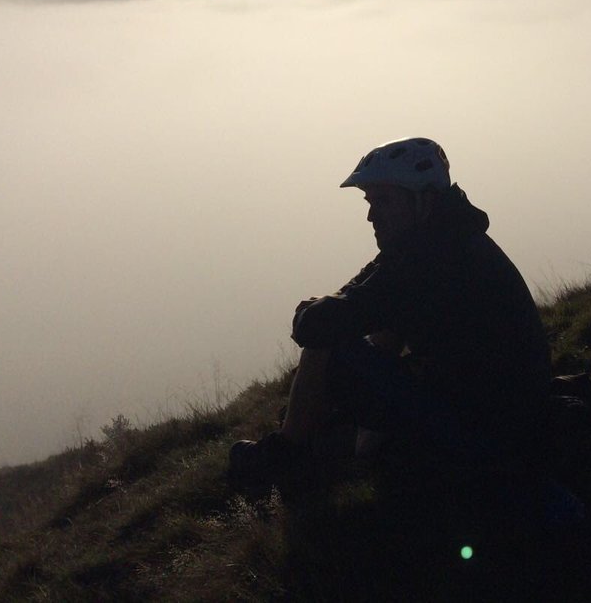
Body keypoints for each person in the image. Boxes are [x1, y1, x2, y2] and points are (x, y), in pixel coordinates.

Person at [229, 137, 554, 486]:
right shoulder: (447, 238)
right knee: (371, 327)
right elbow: (372, 292)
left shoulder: (428, 260)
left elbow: (320, 324)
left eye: (383, 201)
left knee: (329, 341)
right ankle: (331, 434)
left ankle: (286, 456)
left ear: (423, 199)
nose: (371, 215)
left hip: (480, 433)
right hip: (508, 415)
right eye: (370, 201)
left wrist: (311, 313)